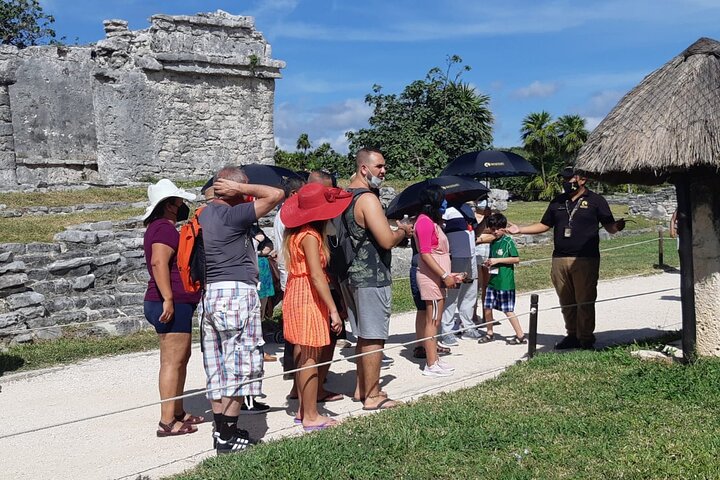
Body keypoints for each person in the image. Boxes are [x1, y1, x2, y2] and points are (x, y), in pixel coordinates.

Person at [199, 166, 284, 454]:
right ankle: (228, 435)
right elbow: (276, 195)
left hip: (212, 294)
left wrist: (233, 190)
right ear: (232, 189)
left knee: (217, 365)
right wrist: (242, 191)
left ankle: (221, 429)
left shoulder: (206, 214)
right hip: (236, 294)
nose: (249, 192)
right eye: (245, 187)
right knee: (239, 365)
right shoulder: (233, 215)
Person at [507, 167, 625, 350]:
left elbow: (610, 227)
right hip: (559, 259)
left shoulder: (596, 201)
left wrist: (617, 226)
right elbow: (544, 225)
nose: (566, 181)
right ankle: (572, 335)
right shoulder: (558, 201)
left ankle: (585, 338)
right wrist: (519, 229)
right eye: (564, 178)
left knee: (584, 300)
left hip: (585, 258)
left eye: (570, 178)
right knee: (566, 301)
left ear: (583, 179)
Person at [341, 147, 413, 409]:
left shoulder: (345, 195)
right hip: (371, 276)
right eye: (379, 166)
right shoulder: (367, 199)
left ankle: (363, 387)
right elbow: (385, 239)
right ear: (364, 169)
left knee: (363, 335)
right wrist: (402, 231)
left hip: (349, 274)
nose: (384, 171)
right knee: (374, 336)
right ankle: (372, 395)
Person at [281, 183, 351, 430]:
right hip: (308, 295)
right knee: (311, 355)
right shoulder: (311, 235)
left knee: (304, 352)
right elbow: (317, 276)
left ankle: (304, 408)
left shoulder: (296, 233)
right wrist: (333, 308)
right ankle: (310, 415)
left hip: (296, 292)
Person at [141, 179, 203, 437]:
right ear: (169, 206)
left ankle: (177, 411)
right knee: (171, 361)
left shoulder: (161, 228)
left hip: (177, 302)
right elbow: (158, 263)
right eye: (179, 203)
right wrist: (168, 297)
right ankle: (167, 421)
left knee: (180, 359)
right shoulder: (164, 230)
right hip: (170, 302)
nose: (182, 207)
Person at [414, 186, 462, 376]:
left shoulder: (432, 222)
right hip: (431, 279)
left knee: (436, 319)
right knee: (432, 320)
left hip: (439, 279)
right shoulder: (424, 222)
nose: (445, 203)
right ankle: (431, 363)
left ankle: (435, 359)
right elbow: (425, 254)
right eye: (442, 200)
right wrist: (444, 275)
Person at [478, 213, 526, 344]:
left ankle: (520, 335)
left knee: (508, 310)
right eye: (492, 229)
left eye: (498, 229)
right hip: (493, 280)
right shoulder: (493, 242)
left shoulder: (508, 242)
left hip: (505, 282)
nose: (495, 232)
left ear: (503, 228)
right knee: (487, 307)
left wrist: (497, 260)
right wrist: (490, 262)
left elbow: (516, 259)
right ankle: (489, 333)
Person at [439, 204, 481, 346]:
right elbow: (440, 232)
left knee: (470, 292)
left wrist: (486, 219)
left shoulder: (468, 209)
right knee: (452, 295)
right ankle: (447, 331)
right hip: (456, 256)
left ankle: (467, 326)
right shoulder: (447, 211)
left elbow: (476, 232)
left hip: (471, 255)